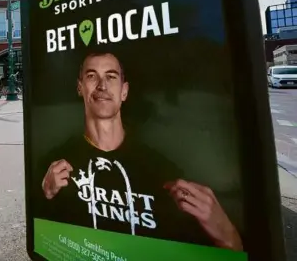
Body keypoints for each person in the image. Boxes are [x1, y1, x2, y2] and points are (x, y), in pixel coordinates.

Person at [38, 51, 244, 251]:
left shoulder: (161, 170)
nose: (102, 85)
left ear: (124, 91)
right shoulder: (55, 168)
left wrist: (229, 236)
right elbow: (44, 240)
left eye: (111, 77)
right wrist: (44, 196)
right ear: (80, 87)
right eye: (92, 76)